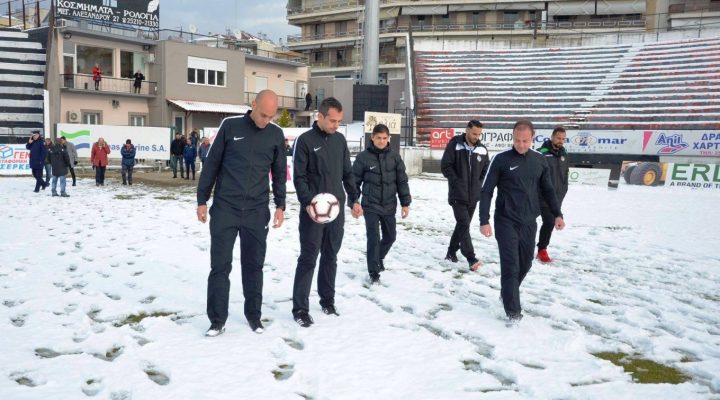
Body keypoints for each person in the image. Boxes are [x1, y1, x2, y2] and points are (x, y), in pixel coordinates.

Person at [197, 90, 287, 337]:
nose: (265, 120)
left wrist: (280, 205)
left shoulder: (276, 135)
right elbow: (212, 164)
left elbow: (279, 173)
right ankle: (217, 320)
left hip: (256, 212)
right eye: (262, 114)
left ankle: (254, 316)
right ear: (253, 104)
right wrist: (202, 199)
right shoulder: (230, 126)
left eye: (270, 116)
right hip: (226, 208)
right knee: (220, 267)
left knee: (254, 265)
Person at [479, 120, 565, 324]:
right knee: (511, 265)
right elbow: (486, 191)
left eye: (525, 141)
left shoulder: (540, 160)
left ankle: (508, 293)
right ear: (512, 137)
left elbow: (548, 190)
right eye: (517, 140)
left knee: (525, 263)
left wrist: (557, 214)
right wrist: (484, 220)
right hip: (505, 220)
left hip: (529, 221)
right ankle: (513, 313)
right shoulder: (501, 159)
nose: (521, 144)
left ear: (532, 138)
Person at [291, 97, 362, 328]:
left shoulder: (339, 140)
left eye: (339, 121)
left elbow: (347, 173)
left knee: (331, 256)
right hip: (313, 212)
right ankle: (300, 308)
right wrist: (309, 204)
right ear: (319, 116)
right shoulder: (305, 141)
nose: (336, 125)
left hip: (336, 211)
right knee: (309, 258)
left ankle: (327, 300)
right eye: (332, 120)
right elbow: (299, 178)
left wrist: (354, 199)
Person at [352, 123, 411, 284]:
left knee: (390, 237)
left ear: (389, 138)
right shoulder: (363, 157)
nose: (381, 141)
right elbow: (354, 181)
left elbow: (402, 181)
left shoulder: (395, 157)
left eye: (385, 138)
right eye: (378, 138)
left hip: (389, 205)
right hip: (370, 205)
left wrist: (405, 203)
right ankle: (374, 272)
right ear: (372, 138)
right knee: (373, 238)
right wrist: (354, 202)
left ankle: (378, 258)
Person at [440, 120, 489, 271]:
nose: (476, 136)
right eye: (474, 133)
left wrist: (479, 183)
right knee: (463, 224)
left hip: (473, 196)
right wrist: (457, 181)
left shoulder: (482, 149)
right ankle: (470, 257)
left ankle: (451, 252)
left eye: (479, 134)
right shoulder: (454, 145)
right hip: (457, 194)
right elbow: (445, 166)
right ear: (467, 130)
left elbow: (486, 169)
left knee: (463, 224)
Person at [536, 127, 569, 263]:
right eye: (558, 138)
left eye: (563, 138)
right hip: (541, 195)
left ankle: (542, 249)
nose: (561, 141)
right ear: (552, 137)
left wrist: (564, 189)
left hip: (557, 195)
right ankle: (520, 244)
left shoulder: (564, 153)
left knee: (549, 223)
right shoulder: (541, 153)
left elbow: (565, 173)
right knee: (526, 221)